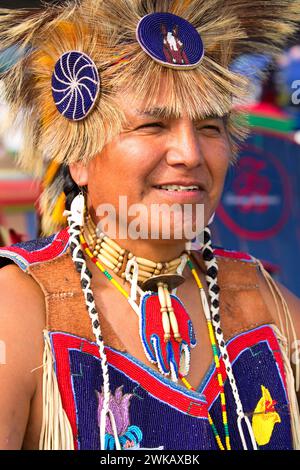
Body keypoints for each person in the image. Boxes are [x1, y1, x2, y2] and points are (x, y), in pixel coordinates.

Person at [0, 0, 299, 451]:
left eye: (210, 127)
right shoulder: (23, 308)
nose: (190, 154)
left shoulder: (265, 304)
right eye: (153, 125)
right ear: (80, 156)